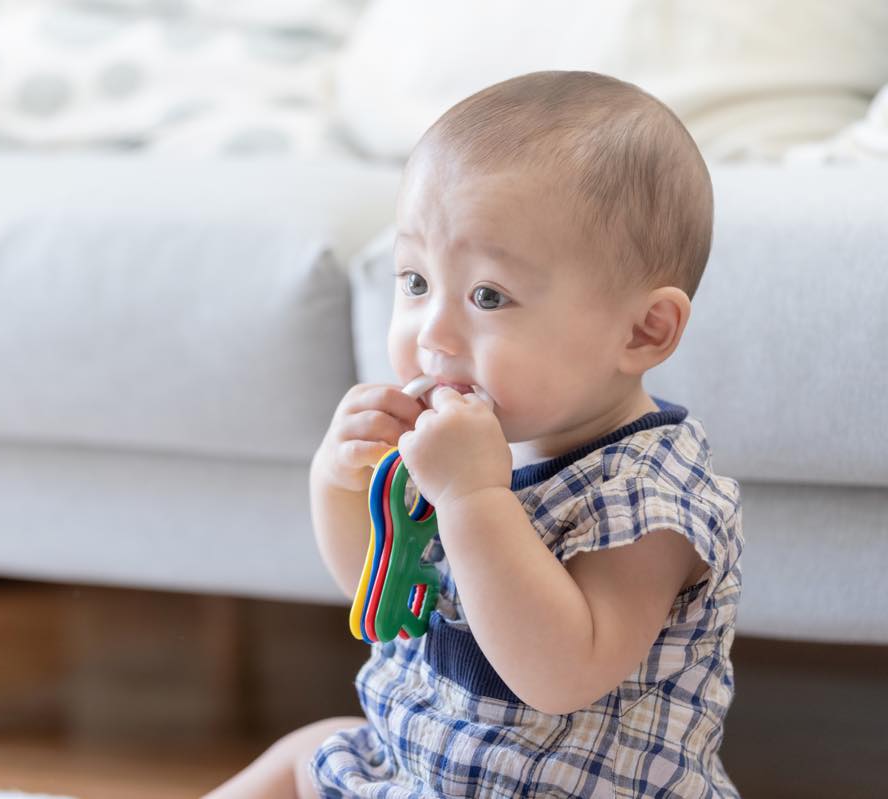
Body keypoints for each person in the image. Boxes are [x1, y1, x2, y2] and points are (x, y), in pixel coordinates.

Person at [205, 70, 744, 798]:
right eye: (416, 281)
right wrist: (337, 479)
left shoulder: (647, 497)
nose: (434, 333)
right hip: (424, 768)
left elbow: (559, 674)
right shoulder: (465, 442)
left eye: (488, 295)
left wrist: (472, 498)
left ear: (644, 330)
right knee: (311, 750)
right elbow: (383, 596)